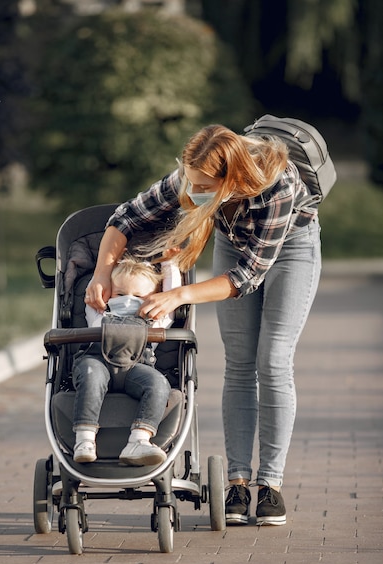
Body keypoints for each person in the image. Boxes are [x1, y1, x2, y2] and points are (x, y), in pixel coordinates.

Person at [84, 124, 321, 525]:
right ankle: (238, 481)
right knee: (240, 363)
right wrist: (101, 274)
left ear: (233, 179)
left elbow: (247, 276)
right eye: (190, 181)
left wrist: (177, 295)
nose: (192, 191)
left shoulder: (276, 186)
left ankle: (270, 486)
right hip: (234, 241)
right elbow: (124, 218)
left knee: (274, 360)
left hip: (291, 247)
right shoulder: (191, 177)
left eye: (203, 185)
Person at [73, 256, 181, 466]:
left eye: (139, 296)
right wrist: (107, 264)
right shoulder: (98, 312)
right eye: (120, 294)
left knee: (159, 384)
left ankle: (139, 440)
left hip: (136, 370)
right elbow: (95, 287)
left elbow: (171, 293)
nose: (128, 300)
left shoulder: (157, 318)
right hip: (98, 362)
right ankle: (84, 440)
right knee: (90, 374)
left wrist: (169, 262)